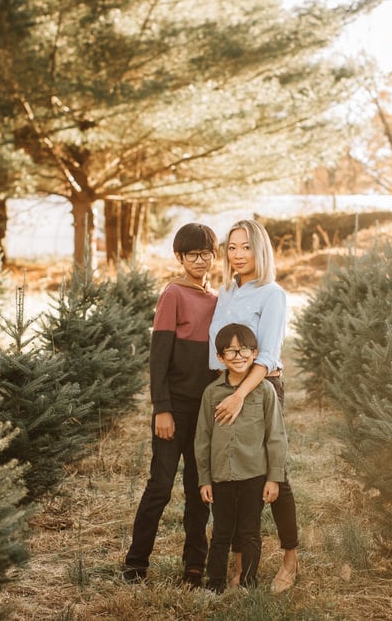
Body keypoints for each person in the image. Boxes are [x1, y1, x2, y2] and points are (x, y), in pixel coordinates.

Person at [122, 223, 219, 588]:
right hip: (173, 409)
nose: (200, 260)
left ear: (214, 255)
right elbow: (158, 357)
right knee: (160, 486)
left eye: (206, 253)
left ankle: (194, 565)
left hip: (204, 412)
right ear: (179, 257)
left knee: (199, 489)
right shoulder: (173, 295)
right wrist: (161, 407)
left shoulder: (216, 299)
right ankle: (135, 563)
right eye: (192, 254)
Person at [207, 218, 299, 593]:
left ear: (260, 249)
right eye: (232, 247)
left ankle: (290, 558)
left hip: (258, 389)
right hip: (225, 387)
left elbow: (269, 354)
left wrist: (240, 394)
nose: (238, 254)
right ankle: (241, 562)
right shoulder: (226, 293)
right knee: (236, 475)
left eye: (246, 246)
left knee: (273, 474)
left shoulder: (271, 294)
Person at [195, 323, 288, 592]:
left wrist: (274, 478)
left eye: (244, 349)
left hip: (254, 476)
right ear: (220, 357)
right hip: (221, 475)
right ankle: (214, 584)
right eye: (231, 351)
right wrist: (204, 479)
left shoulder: (264, 391)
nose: (238, 356)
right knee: (222, 533)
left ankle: (247, 581)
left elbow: (276, 436)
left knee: (249, 532)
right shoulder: (212, 393)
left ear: (255, 353)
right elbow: (203, 439)